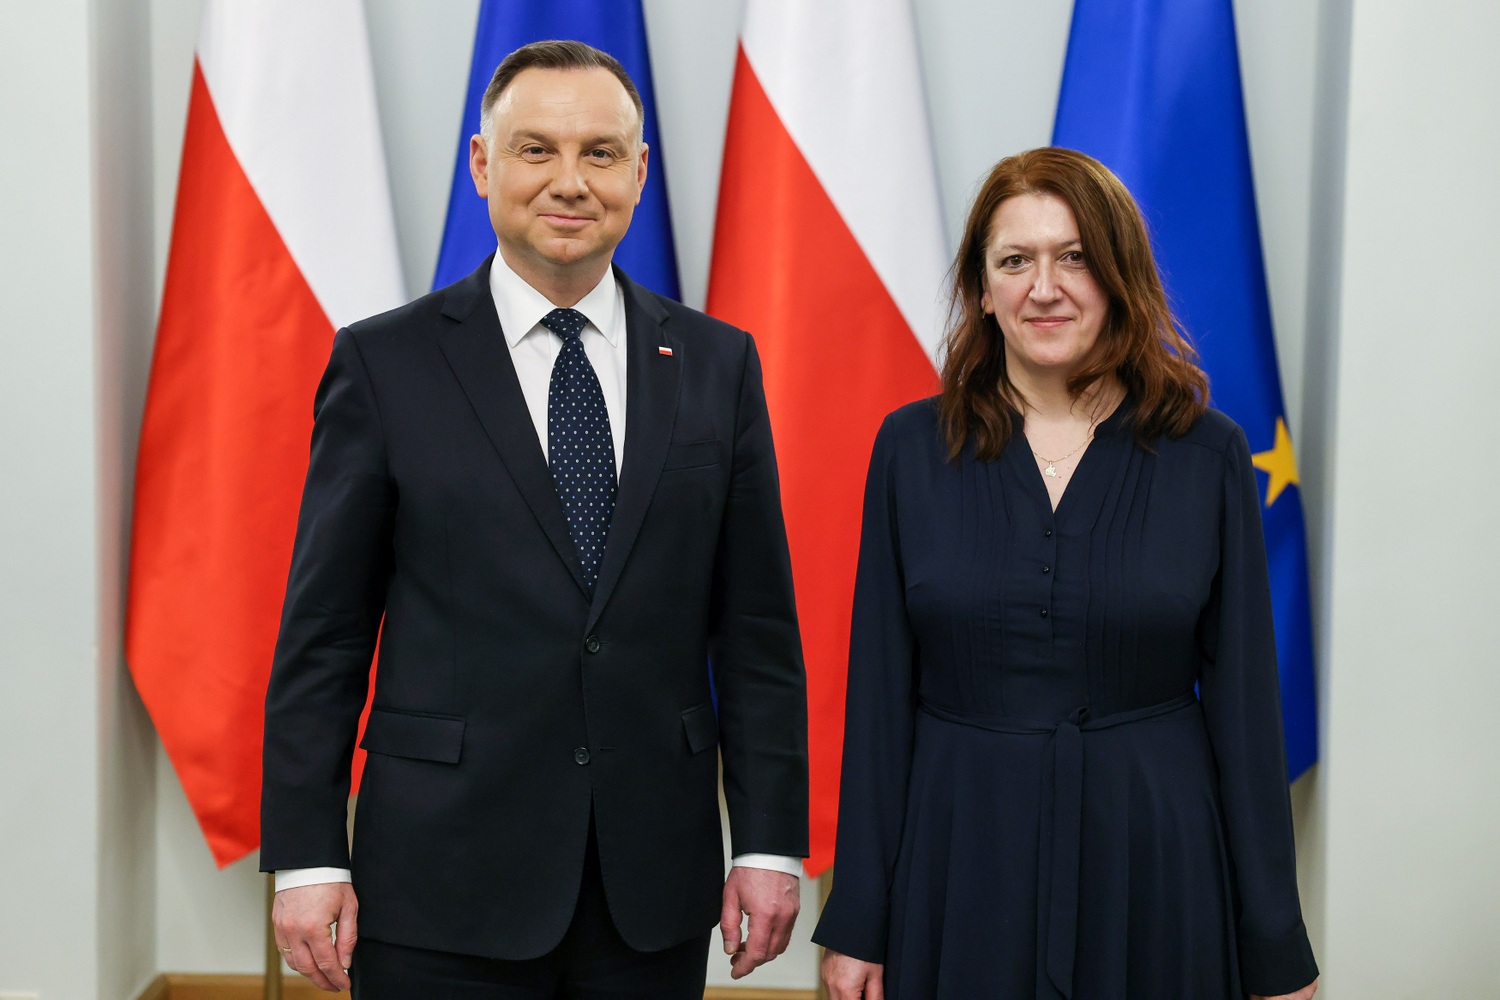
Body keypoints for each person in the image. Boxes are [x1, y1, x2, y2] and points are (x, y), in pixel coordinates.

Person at [260, 40, 809, 999]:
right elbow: (326, 634)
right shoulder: (384, 366)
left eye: (601, 152)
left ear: (640, 172)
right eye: (536, 149)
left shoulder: (719, 366)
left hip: (650, 885)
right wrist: (308, 855)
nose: (570, 181)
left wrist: (767, 842)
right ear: (483, 165)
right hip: (438, 879)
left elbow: (757, 632)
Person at [814, 147, 1319, 1000]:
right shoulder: (910, 449)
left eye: (1074, 257)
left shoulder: (1209, 454)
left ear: (1120, 276)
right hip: (959, 855)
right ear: (982, 288)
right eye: (1015, 260)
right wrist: (859, 918)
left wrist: (1274, 943)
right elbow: (877, 701)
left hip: (1156, 860)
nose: (1043, 288)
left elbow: (1246, 716)